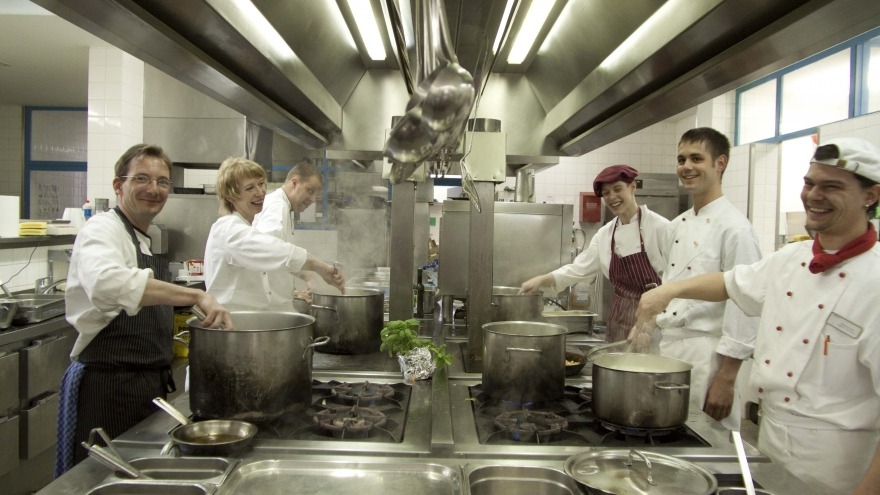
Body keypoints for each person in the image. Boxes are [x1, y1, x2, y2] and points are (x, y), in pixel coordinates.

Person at [635, 137, 880, 494]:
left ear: (870, 196)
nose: (814, 196)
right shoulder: (791, 259)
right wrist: (668, 290)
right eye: (809, 183)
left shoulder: (874, 280)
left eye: (832, 187)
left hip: (837, 459)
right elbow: (729, 283)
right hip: (771, 437)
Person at [55, 144, 232, 477]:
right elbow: (108, 282)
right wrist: (195, 297)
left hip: (143, 386)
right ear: (118, 185)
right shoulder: (102, 230)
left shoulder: (143, 238)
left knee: (137, 480)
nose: (154, 189)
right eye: (142, 179)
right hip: (108, 387)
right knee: (101, 481)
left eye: (162, 181)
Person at [639, 127, 761, 431]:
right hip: (669, 350)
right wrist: (646, 325)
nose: (686, 167)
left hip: (708, 356)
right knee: (670, 435)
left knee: (707, 441)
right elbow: (671, 287)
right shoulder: (677, 225)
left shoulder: (736, 229)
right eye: (681, 159)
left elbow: (746, 306)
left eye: (697, 158)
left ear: (720, 163)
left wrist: (726, 378)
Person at [518, 164, 669, 343]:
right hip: (618, 317)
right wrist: (542, 279)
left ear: (632, 187)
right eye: (606, 193)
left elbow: (676, 282)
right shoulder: (606, 234)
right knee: (615, 365)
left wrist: (650, 323)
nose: (612, 197)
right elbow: (578, 269)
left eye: (617, 189)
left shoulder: (661, 227)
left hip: (655, 320)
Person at [204, 157, 343, 312]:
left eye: (261, 184)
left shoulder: (243, 226)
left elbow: (265, 262)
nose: (260, 192)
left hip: (248, 323)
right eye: (249, 188)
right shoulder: (229, 229)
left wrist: (306, 276)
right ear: (231, 197)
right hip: (233, 326)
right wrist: (319, 267)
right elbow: (274, 249)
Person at [252, 160, 344, 298]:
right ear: (294, 183)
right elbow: (269, 250)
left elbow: (281, 257)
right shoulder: (277, 207)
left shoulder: (284, 206)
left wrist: (307, 277)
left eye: (316, 195)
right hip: (266, 304)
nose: (313, 200)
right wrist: (320, 267)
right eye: (310, 191)